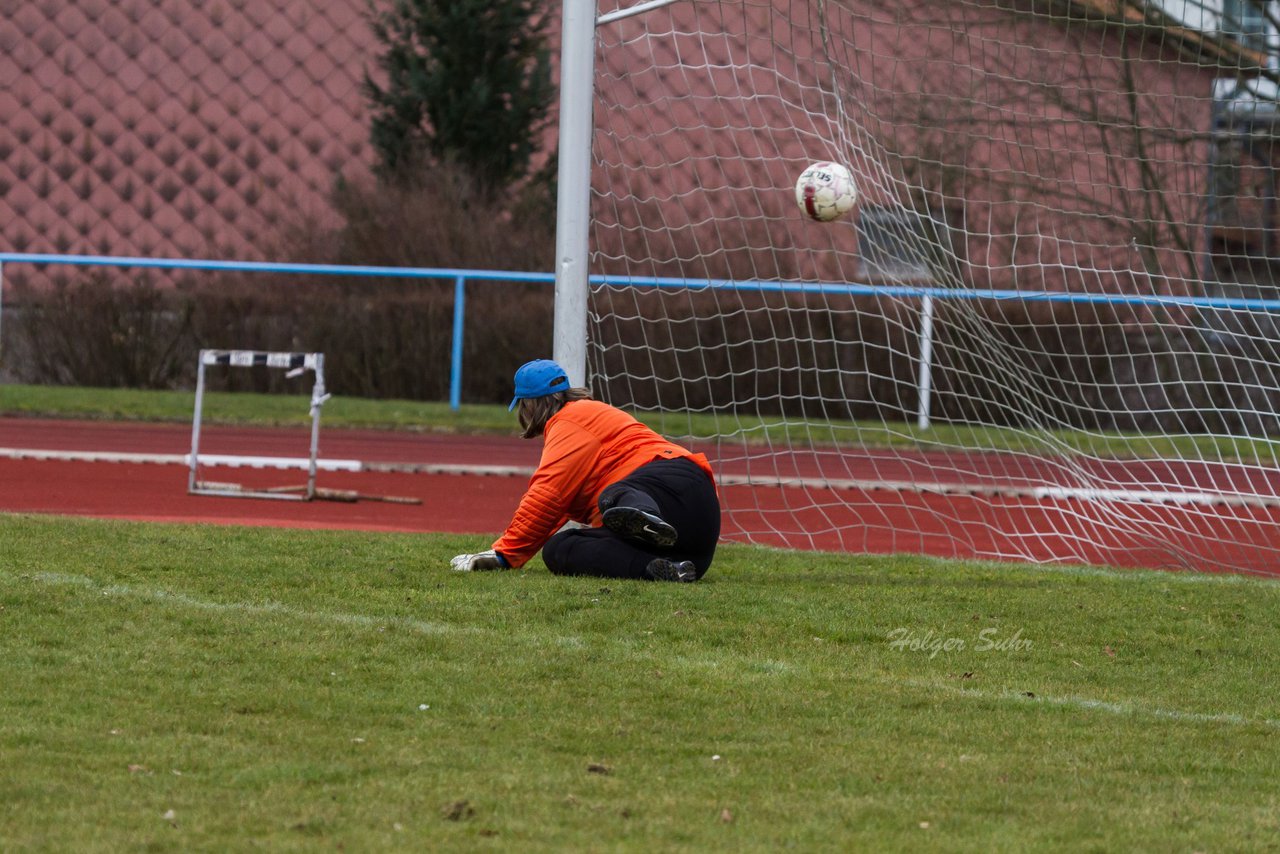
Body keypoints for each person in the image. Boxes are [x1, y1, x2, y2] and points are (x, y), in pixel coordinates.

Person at [449, 359, 720, 582]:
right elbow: (558, 506)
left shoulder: (571, 420)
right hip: (697, 539)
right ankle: (661, 568)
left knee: (612, 494)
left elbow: (548, 495)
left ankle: (646, 517)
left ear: (528, 405)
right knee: (559, 549)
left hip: (670, 487)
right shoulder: (588, 415)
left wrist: (504, 554)